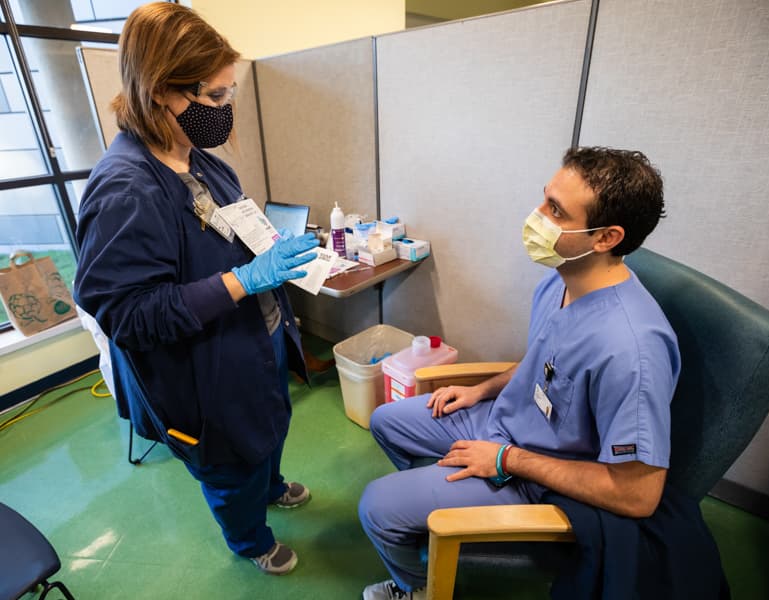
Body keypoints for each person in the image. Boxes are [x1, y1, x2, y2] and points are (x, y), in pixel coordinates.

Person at [359, 147, 682, 599]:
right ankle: (437, 520)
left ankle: (417, 589)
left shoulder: (632, 349)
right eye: (544, 199)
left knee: (376, 506)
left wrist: (504, 461)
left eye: (556, 211)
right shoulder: (562, 277)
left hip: (536, 473)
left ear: (606, 237)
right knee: (385, 421)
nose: (537, 218)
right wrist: (482, 389)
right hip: (504, 420)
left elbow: (638, 495)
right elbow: (548, 361)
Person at [74, 3, 318, 576]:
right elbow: (130, 317)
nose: (225, 110)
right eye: (214, 97)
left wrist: (272, 255)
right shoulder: (125, 191)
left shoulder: (203, 163)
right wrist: (244, 279)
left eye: (229, 93)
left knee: (269, 429)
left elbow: (234, 227)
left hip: (258, 343)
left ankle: (273, 483)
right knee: (231, 465)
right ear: (161, 91)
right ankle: (250, 539)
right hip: (206, 372)